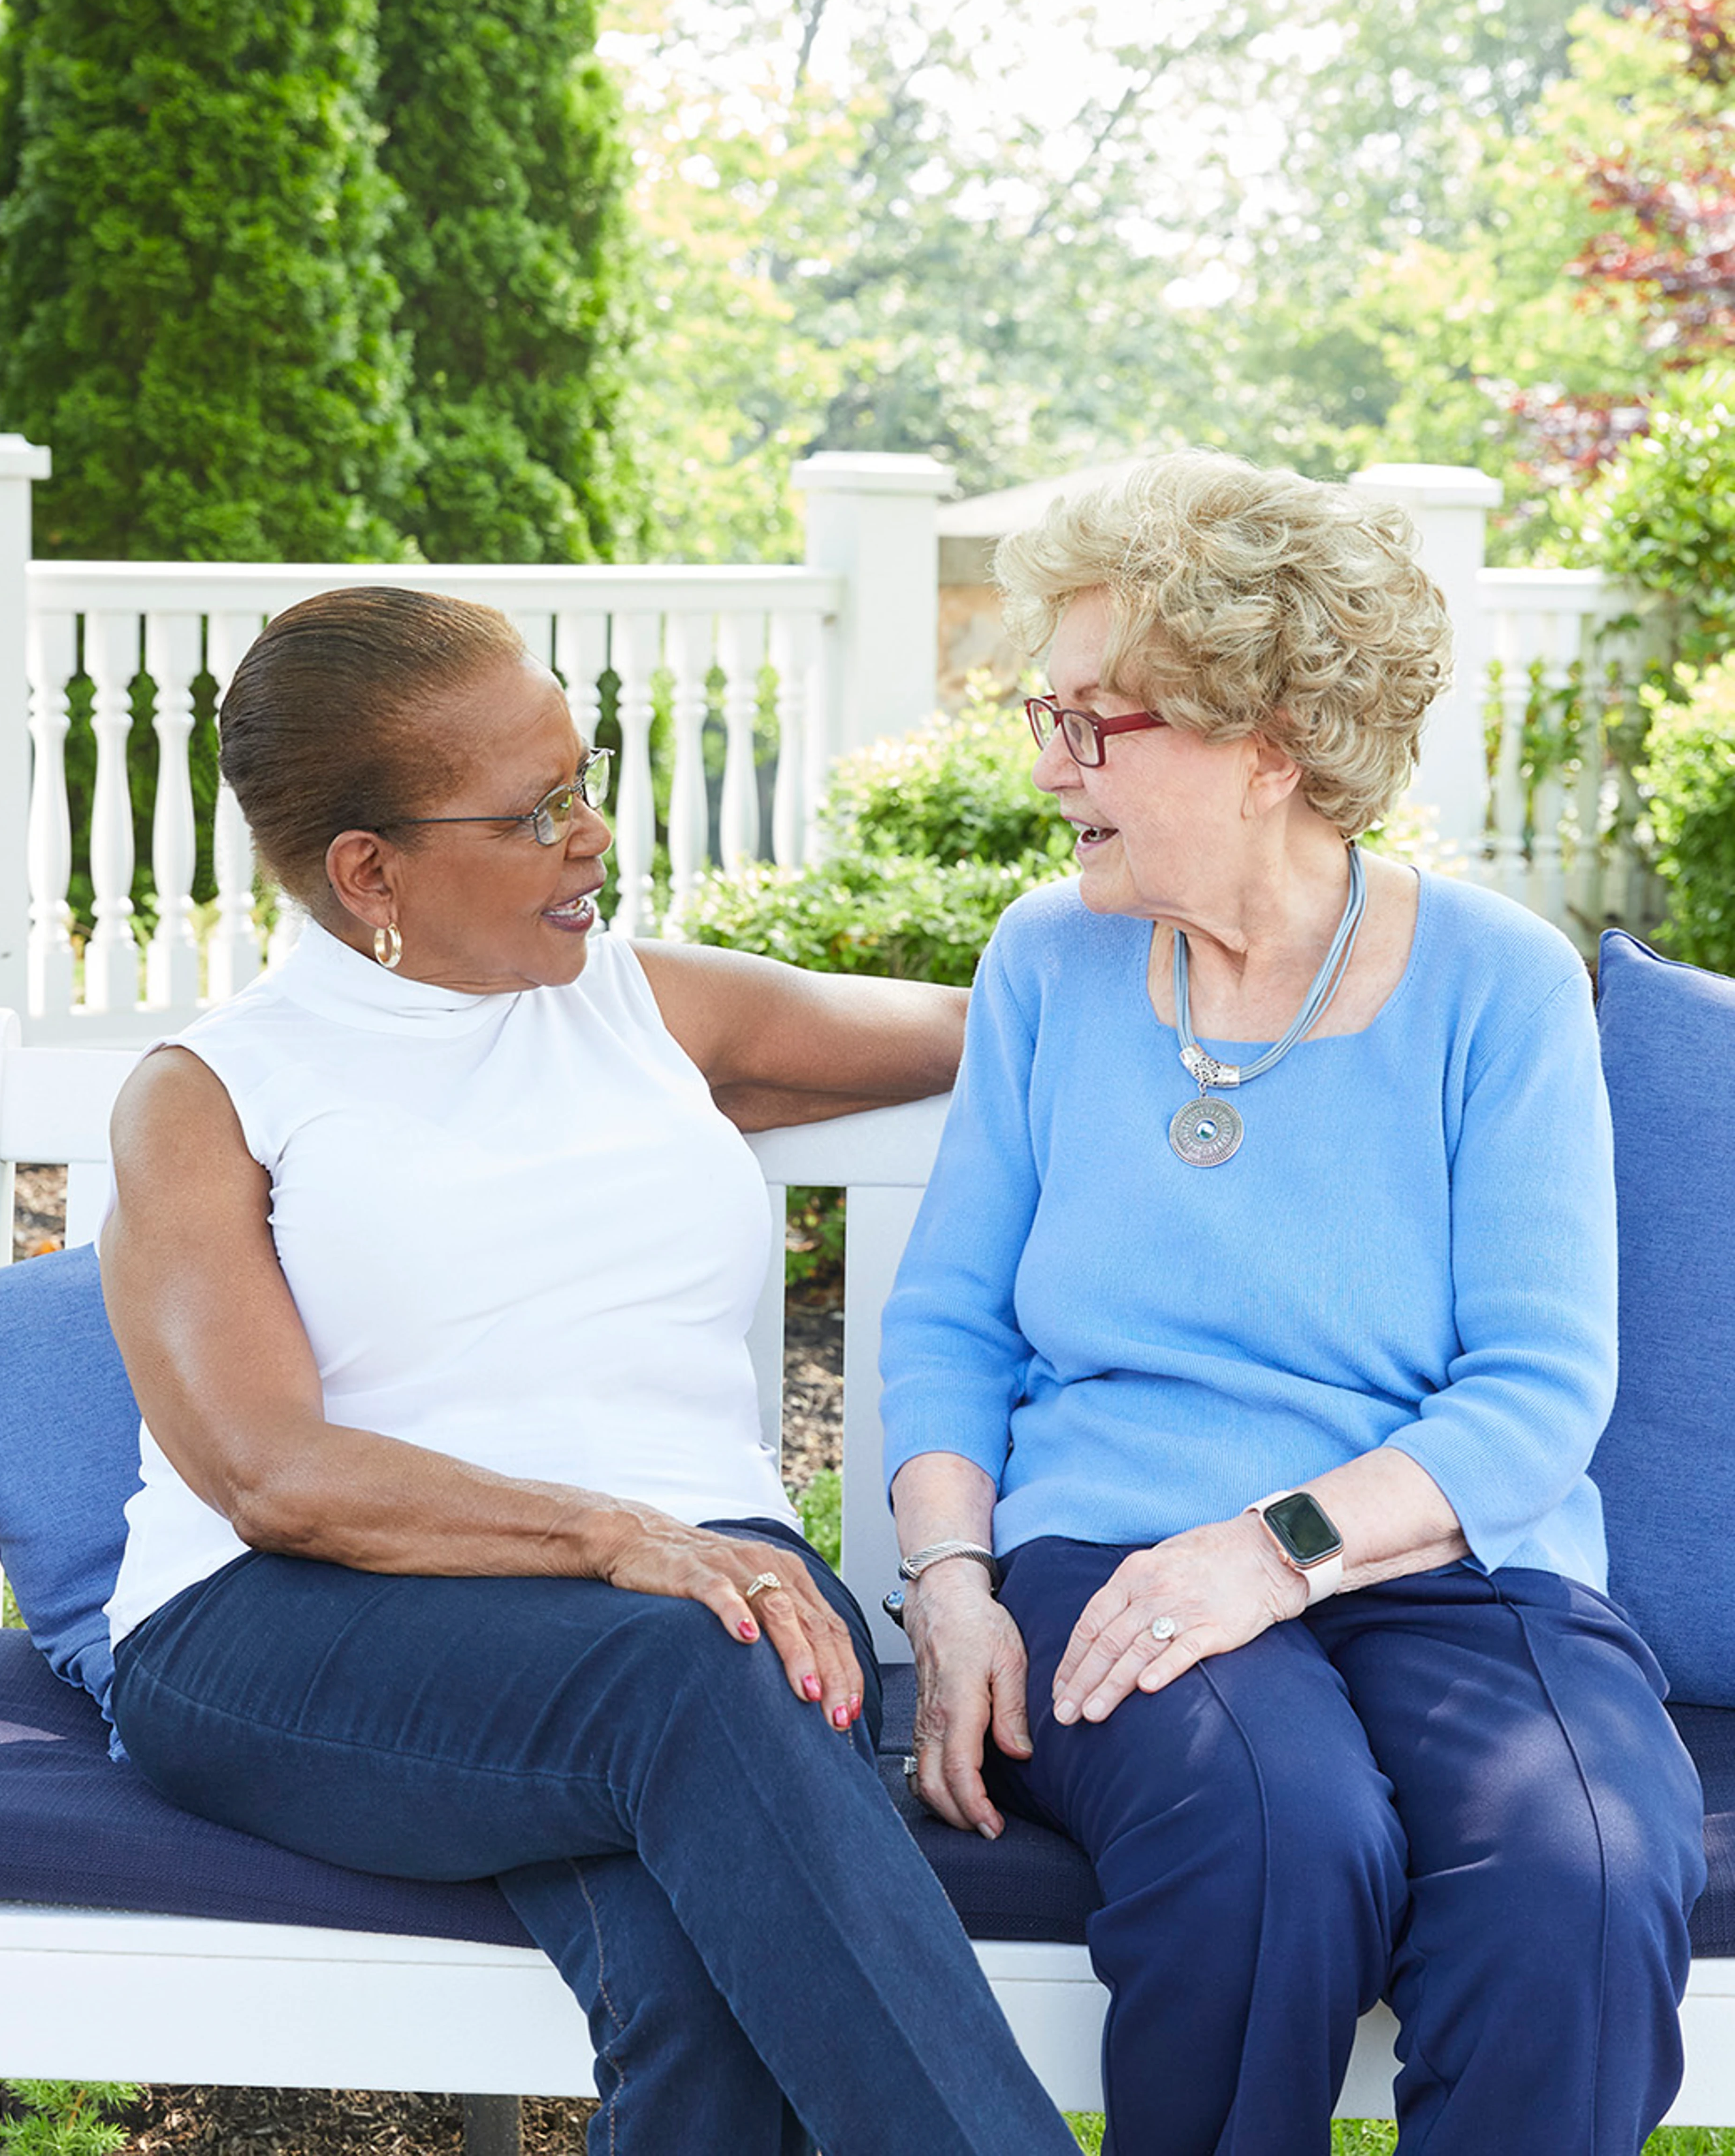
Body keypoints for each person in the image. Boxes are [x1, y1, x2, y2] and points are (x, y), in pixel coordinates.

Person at [97, 584, 1077, 2156]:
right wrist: (621, 1538)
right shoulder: (213, 1095)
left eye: (584, 775)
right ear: (370, 872)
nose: (593, 832)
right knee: (699, 1666)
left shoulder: (649, 1007)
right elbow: (269, 1473)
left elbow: (1012, 1028)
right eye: (537, 808)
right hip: (291, 1630)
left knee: (698, 1978)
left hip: (681, 1622)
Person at [877, 452, 1707, 2156]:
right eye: (1050, 713)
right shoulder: (1050, 961)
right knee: (1273, 1838)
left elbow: (1540, 1387)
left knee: (1586, 1869)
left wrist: (1273, 1550)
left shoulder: (1499, 982)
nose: (1051, 766)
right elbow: (950, 1327)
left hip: (1449, 1559)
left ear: (1272, 745)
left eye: (1098, 724)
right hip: (1111, 1556)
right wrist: (952, 1592)